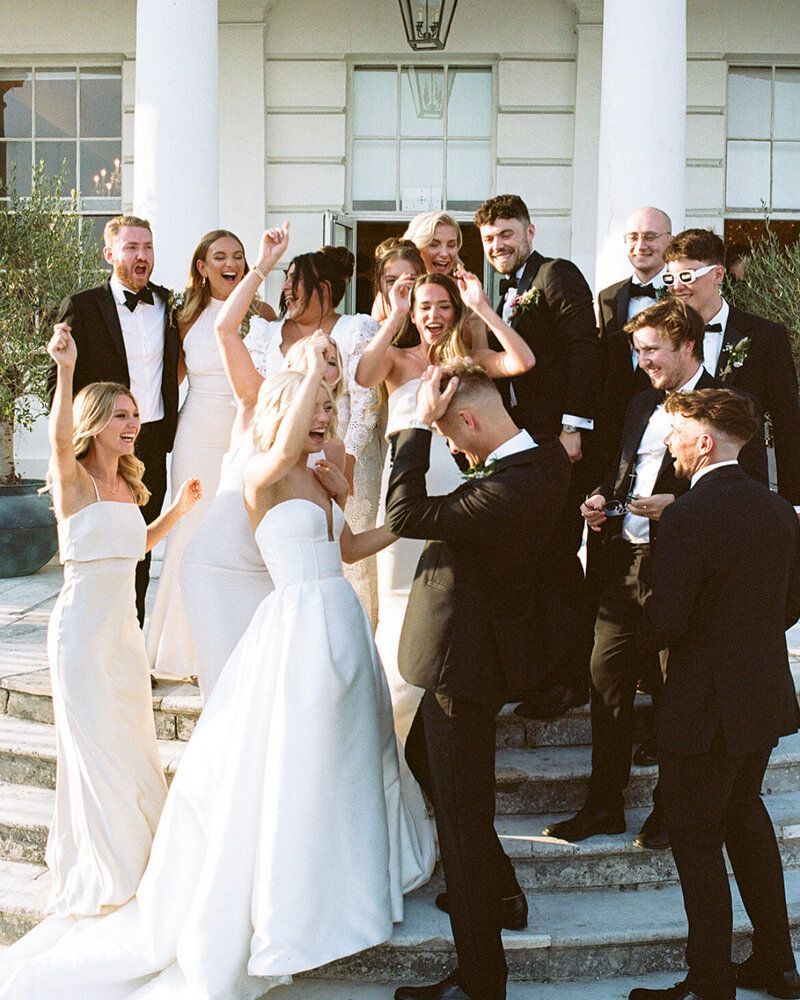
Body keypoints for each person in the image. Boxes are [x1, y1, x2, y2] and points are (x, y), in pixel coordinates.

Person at [0, 340, 434, 1000]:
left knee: (347, 753)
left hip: (339, 619)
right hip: (292, 629)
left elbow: (348, 546)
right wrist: (310, 371)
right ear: (284, 410)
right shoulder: (262, 472)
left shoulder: (320, 476)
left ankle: (349, 872)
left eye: (328, 407)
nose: (324, 416)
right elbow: (287, 443)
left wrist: (416, 523)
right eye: (314, 407)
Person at [543, 298, 768, 851]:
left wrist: (682, 503)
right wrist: (600, 498)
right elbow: (622, 471)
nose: (643, 361)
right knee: (606, 681)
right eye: (637, 350)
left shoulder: (731, 403)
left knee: (673, 690)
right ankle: (603, 804)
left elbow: (747, 490)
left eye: (652, 350)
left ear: (687, 346)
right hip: (621, 565)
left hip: (681, 572)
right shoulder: (641, 400)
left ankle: (671, 810)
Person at [386, 360, 571, 1000]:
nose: (447, 445)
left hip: (462, 665)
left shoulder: (511, 487)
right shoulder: (542, 462)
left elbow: (408, 513)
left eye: (447, 433)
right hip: (478, 650)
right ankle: (500, 890)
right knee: (424, 761)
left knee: (463, 820)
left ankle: (481, 976)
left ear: (466, 419)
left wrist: (410, 426)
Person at [627, 389, 800, 1000]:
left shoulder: (687, 516)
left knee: (698, 839)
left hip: (702, 706)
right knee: (745, 822)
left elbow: (663, 620)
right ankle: (777, 967)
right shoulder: (780, 511)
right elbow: (790, 605)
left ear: (705, 441)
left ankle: (709, 981)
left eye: (676, 433)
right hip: (761, 697)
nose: (669, 444)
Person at [43, 323, 201, 920]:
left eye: (135, 414)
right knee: (95, 749)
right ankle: (105, 865)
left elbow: (134, 547)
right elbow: (59, 443)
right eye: (119, 416)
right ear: (94, 423)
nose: (133, 424)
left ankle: (138, 856)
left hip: (123, 639)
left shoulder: (131, 486)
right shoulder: (75, 480)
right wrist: (65, 369)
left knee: (132, 743)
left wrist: (176, 513)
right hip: (81, 633)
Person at [356, 270, 535, 746]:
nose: (433, 316)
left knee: (447, 602)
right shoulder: (395, 358)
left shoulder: (468, 361)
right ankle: (385, 728)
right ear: (413, 314)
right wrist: (393, 314)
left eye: (443, 306)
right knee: (396, 602)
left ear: (455, 311)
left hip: (455, 492)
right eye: (424, 307)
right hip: (406, 494)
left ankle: (435, 729)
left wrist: (483, 307)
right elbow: (361, 375)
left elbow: (521, 360)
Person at [179, 226, 344, 698]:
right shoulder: (256, 404)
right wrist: (264, 265)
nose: (321, 365)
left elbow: (336, 541)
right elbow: (224, 328)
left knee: (266, 697)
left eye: (331, 360)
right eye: (313, 357)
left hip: (275, 580)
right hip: (219, 571)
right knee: (228, 694)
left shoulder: (328, 447)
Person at [474, 193, 602, 718]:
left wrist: (574, 428)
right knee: (534, 558)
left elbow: (584, 349)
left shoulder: (556, 274)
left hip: (557, 443)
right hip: (519, 446)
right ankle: (539, 671)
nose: (498, 245)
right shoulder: (501, 290)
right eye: (489, 239)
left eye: (506, 234)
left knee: (556, 558)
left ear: (530, 232)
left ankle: (573, 679)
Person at [146, 228, 275, 680]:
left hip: (244, 432)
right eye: (220, 256)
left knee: (238, 528)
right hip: (197, 431)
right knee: (191, 526)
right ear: (202, 267)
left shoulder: (259, 313)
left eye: (238, 256)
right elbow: (169, 379)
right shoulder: (184, 317)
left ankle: (236, 638)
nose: (232, 263)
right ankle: (184, 649)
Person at [47, 215, 180, 626]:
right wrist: (72, 443)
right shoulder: (83, 306)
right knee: (95, 546)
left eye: (148, 247)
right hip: (100, 446)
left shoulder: (168, 304)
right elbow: (56, 379)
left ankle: (130, 641)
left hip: (151, 441)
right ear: (109, 254)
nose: (142, 256)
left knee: (139, 549)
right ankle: (86, 632)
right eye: (131, 248)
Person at [244, 238, 383, 621]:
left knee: (340, 556)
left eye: (294, 279)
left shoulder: (354, 329)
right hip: (282, 455)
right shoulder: (268, 333)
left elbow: (364, 402)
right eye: (284, 278)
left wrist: (346, 467)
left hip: (339, 455)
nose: (286, 287)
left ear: (322, 289)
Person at [664, 228, 800, 507]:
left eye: (687, 276)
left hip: (745, 489)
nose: (677, 286)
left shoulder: (764, 336)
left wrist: (793, 504)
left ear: (718, 275)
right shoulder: (660, 339)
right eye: (671, 278)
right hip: (672, 494)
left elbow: (788, 424)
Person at [596, 206, 672, 470]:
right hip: (614, 427)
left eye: (650, 236)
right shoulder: (608, 296)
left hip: (669, 420)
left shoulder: (684, 294)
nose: (640, 245)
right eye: (633, 237)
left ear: (669, 241)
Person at [371, 237, 426, 323]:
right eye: (391, 281)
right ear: (379, 285)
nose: (400, 288)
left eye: (410, 280)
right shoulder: (373, 332)